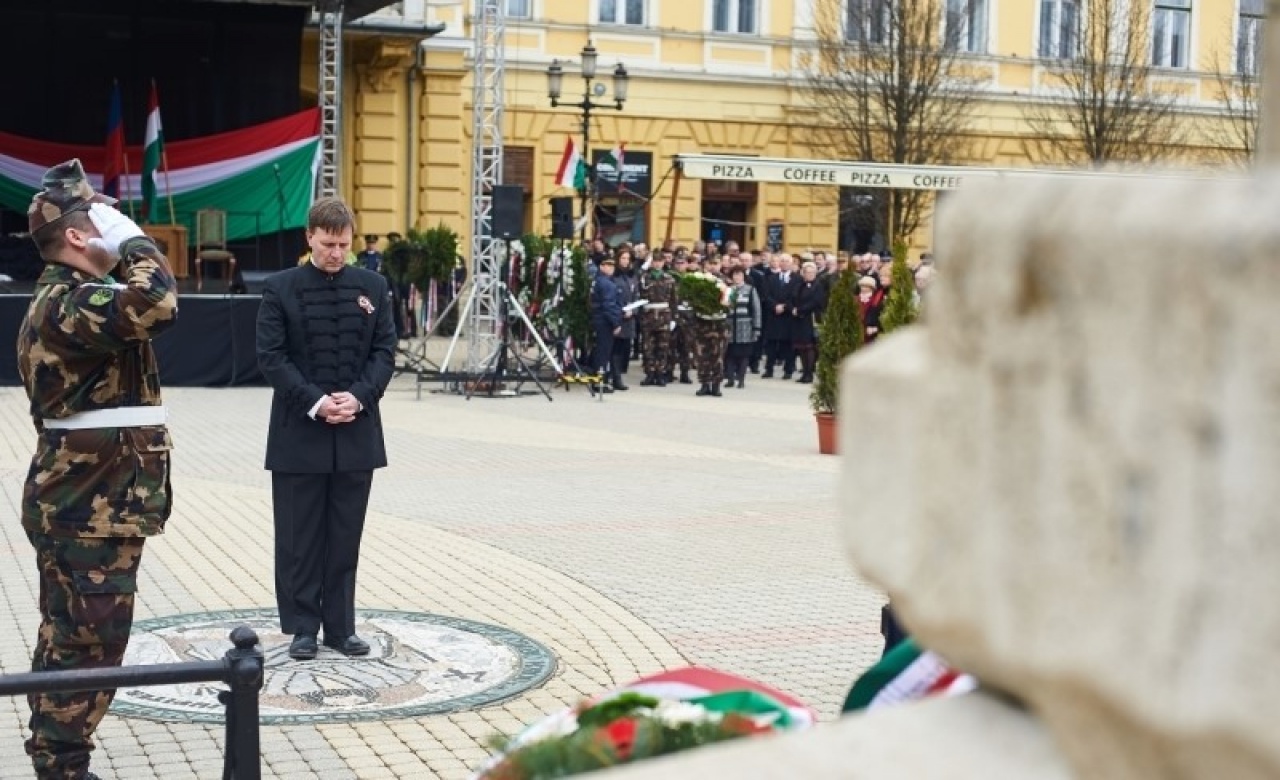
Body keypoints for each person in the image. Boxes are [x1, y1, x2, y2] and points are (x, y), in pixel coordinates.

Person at [16, 159, 178, 780]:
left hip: (90, 504)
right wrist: (132, 236)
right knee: (89, 645)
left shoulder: (79, 299)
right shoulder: (66, 305)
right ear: (80, 235)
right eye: (101, 216)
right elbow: (161, 301)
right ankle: (62, 766)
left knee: (69, 639)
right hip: (88, 509)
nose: (112, 225)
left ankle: (56, 757)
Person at [256, 196, 397, 661]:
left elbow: (384, 352)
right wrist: (316, 402)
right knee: (298, 538)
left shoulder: (373, 286)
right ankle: (301, 628)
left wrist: (358, 396)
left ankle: (341, 627)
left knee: (344, 536)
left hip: (356, 430)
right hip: (300, 431)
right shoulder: (280, 288)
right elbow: (272, 358)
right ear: (309, 238)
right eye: (328, 243)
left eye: (343, 244)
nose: (336, 252)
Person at [638, 250, 677, 386]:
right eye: (655, 261)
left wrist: (673, 318)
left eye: (660, 261)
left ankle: (660, 373)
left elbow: (673, 300)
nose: (657, 264)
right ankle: (650, 373)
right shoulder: (644, 277)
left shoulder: (669, 279)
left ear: (663, 263)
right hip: (648, 315)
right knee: (648, 347)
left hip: (664, 315)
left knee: (663, 347)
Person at [589, 255, 623, 393]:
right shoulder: (606, 283)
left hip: (598, 319)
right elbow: (608, 306)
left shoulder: (597, 281)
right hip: (605, 321)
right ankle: (599, 382)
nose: (610, 268)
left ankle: (598, 379)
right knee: (603, 353)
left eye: (612, 265)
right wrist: (615, 323)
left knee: (599, 352)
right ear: (601, 266)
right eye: (607, 265)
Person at [724, 266, 762, 388]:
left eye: (739, 274)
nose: (736, 277)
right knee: (729, 354)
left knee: (743, 354)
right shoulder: (728, 290)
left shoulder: (750, 290)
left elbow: (756, 310)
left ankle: (741, 379)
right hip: (730, 326)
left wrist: (756, 328)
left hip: (745, 326)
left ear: (743, 276)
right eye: (734, 275)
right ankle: (730, 378)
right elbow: (724, 308)